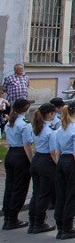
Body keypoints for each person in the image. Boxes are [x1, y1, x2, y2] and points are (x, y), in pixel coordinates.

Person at [51, 100, 75, 239]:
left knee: (61, 194)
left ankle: (60, 225)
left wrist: (61, 165)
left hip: (62, 162)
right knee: (71, 195)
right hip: (72, 162)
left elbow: (57, 151)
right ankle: (68, 227)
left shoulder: (60, 129)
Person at [3, 98, 34, 229]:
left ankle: (7, 215)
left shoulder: (10, 122)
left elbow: (9, 142)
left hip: (11, 155)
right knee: (19, 188)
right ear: (26, 108)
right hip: (21, 156)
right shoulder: (25, 124)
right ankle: (12, 219)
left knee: (10, 186)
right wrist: (31, 161)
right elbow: (27, 145)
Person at [28, 102, 57, 234]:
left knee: (36, 193)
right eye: (54, 113)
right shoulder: (50, 131)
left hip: (37, 159)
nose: (55, 115)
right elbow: (53, 152)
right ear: (50, 114)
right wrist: (58, 164)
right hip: (46, 162)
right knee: (44, 194)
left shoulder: (36, 127)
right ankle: (39, 223)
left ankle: (33, 221)